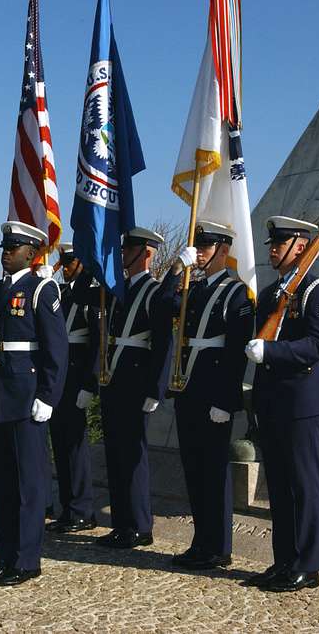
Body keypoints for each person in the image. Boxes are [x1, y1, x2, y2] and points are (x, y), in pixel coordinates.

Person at [244, 216, 319, 592]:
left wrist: (271, 350)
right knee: (280, 485)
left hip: (303, 398)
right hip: (271, 398)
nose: (272, 248)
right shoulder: (271, 293)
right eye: (272, 242)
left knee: (304, 482)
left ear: (300, 247)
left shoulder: (318, 290)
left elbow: (318, 345)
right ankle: (283, 560)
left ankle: (308, 565)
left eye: (280, 243)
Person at [0, 221, 68, 586]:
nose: (6, 252)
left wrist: (48, 396)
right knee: (2, 484)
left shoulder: (41, 289)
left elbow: (56, 350)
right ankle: (5, 557)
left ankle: (27, 561)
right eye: (4, 246)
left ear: (32, 254)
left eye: (14, 247)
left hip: (28, 396)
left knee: (29, 484)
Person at [165, 221, 254, 570]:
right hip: (188, 390)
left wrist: (225, 400)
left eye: (206, 246)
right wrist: (176, 269)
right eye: (197, 246)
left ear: (224, 250)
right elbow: (160, 307)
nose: (199, 251)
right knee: (194, 470)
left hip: (214, 393)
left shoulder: (237, 294)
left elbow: (235, 352)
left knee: (214, 472)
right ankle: (201, 542)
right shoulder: (192, 287)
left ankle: (218, 547)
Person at [93, 227, 175, 549]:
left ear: (147, 254)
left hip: (136, 381)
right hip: (114, 379)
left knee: (133, 455)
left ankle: (140, 525)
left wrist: (156, 388)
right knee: (115, 454)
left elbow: (163, 344)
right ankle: (122, 523)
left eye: (130, 249)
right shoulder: (119, 290)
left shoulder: (155, 293)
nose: (123, 253)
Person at [46, 243, 100, 534]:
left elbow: (96, 342)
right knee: (61, 445)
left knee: (76, 447)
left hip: (77, 379)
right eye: (62, 263)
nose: (64, 268)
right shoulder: (60, 293)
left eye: (69, 263)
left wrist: (89, 383)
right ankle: (68, 507)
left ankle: (83, 509)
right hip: (59, 381)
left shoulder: (91, 295)